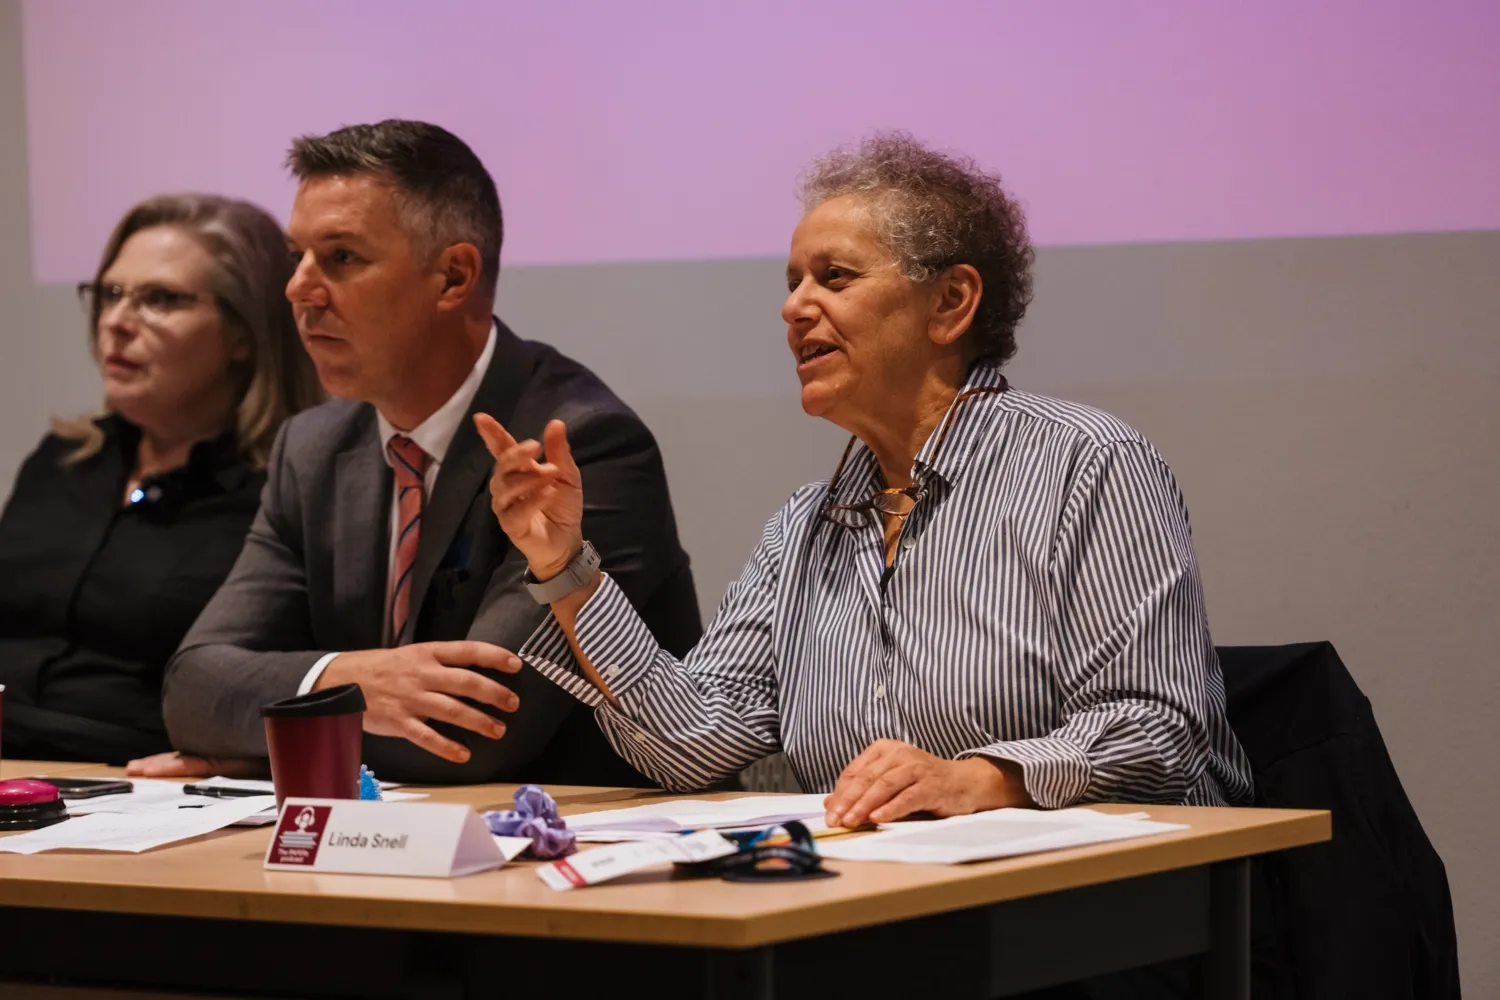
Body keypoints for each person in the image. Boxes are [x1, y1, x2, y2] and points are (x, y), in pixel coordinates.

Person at [477, 133, 1254, 827]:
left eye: (834, 277)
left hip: (1106, 919)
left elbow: (1158, 727)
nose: (793, 308)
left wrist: (978, 779)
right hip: (886, 908)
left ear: (949, 302)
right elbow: (693, 743)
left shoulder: (1089, 465)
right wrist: (565, 569)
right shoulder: (805, 525)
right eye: (791, 282)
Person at [136, 120, 700, 786]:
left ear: (453, 277)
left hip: (572, 858)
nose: (298, 290)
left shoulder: (580, 448)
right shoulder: (313, 450)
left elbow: (472, 728)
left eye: (341, 258)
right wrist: (351, 680)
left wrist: (266, 735)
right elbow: (193, 689)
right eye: (298, 256)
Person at [0, 194, 323, 764]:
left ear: (242, 333)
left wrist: (236, 753)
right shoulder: (61, 462)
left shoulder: (282, 491)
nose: (117, 322)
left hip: (140, 786)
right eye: (112, 294)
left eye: (160, 300)